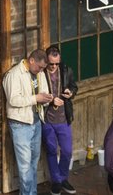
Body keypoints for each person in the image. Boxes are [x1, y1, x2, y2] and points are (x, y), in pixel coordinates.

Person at [2, 49, 53, 195]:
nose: (42, 70)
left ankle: (32, 192)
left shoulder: (40, 73)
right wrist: (36, 98)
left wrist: (46, 99)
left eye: (43, 68)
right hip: (20, 124)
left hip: (36, 121)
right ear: (31, 61)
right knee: (24, 167)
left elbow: (42, 92)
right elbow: (13, 100)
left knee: (33, 163)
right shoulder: (15, 75)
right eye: (40, 67)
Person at [42, 44, 78, 195]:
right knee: (51, 150)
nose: (54, 66)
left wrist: (71, 93)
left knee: (67, 151)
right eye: (51, 64)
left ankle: (63, 178)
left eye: (57, 63)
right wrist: (51, 101)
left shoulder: (66, 70)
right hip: (48, 118)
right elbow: (37, 94)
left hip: (63, 117)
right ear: (46, 61)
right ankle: (56, 181)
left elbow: (74, 87)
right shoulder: (41, 73)